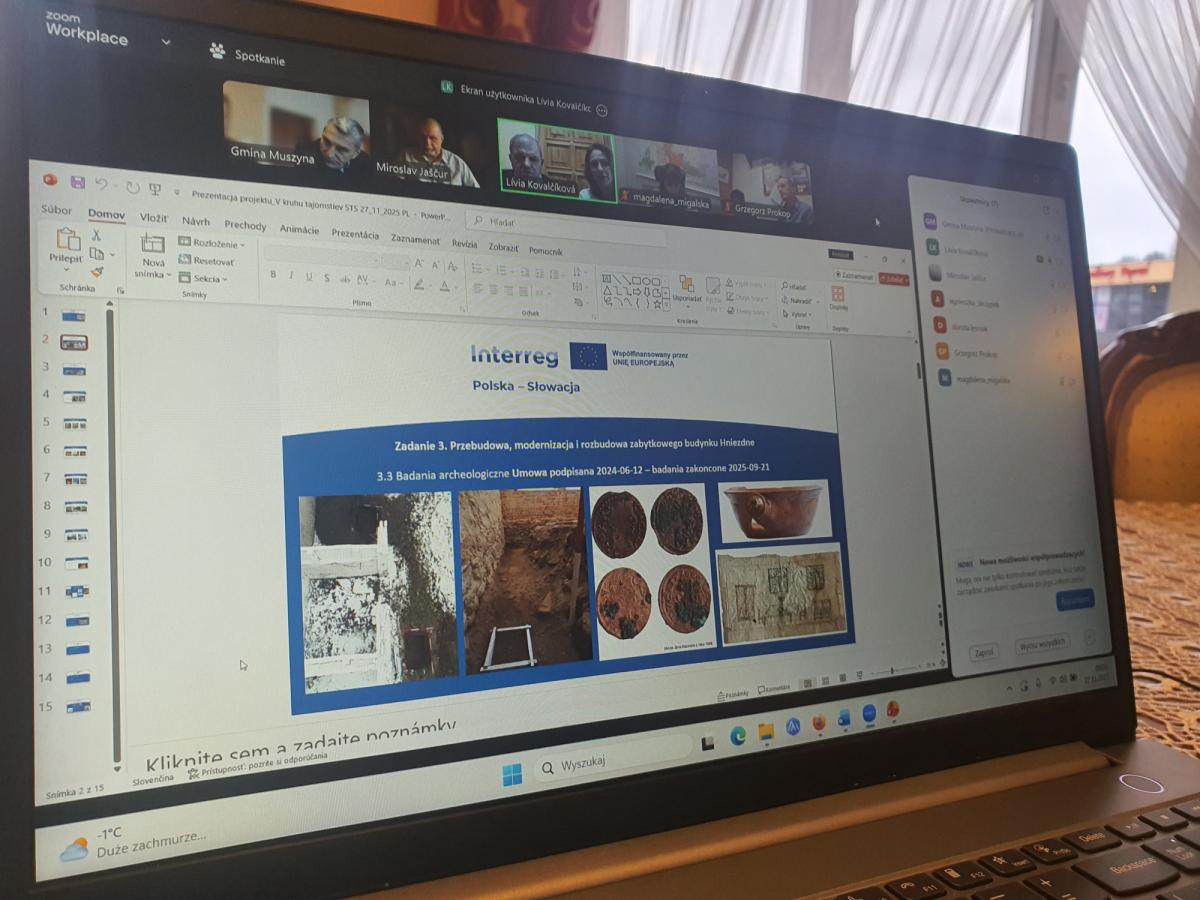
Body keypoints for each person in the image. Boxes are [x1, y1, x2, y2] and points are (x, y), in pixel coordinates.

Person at [400, 117, 479, 187]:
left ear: (441, 139)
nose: (427, 143)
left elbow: (476, 193)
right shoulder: (406, 157)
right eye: (423, 138)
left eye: (433, 138)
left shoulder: (457, 163)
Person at [297, 116, 372, 177]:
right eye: (327, 142)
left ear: (355, 154)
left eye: (341, 149)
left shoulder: (366, 164)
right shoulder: (303, 152)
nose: (329, 155)